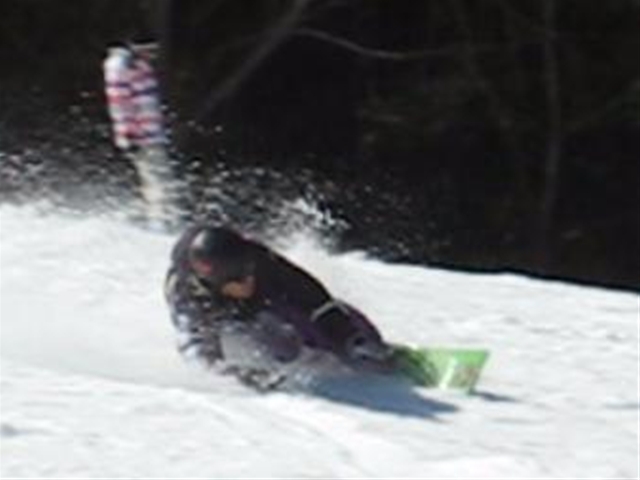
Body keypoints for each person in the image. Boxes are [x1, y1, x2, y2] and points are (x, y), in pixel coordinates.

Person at [164, 224, 394, 386]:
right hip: (232, 320)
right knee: (282, 346)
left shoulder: (258, 259)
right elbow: (194, 349)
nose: (248, 282)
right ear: (215, 283)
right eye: (239, 280)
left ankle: (357, 341)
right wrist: (235, 376)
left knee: (308, 313)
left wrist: (349, 336)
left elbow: (312, 295)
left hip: (262, 302)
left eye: (249, 273)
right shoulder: (186, 295)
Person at [103, 42, 178, 225]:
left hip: (152, 133)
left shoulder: (139, 64)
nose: (152, 55)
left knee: (159, 178)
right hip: (141, 136)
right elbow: (120, 103)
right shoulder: (120, 66)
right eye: (149, 50)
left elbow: (148, 99)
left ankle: (161, 218)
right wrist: (128, 134)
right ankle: (160, 222)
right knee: (158, 178)